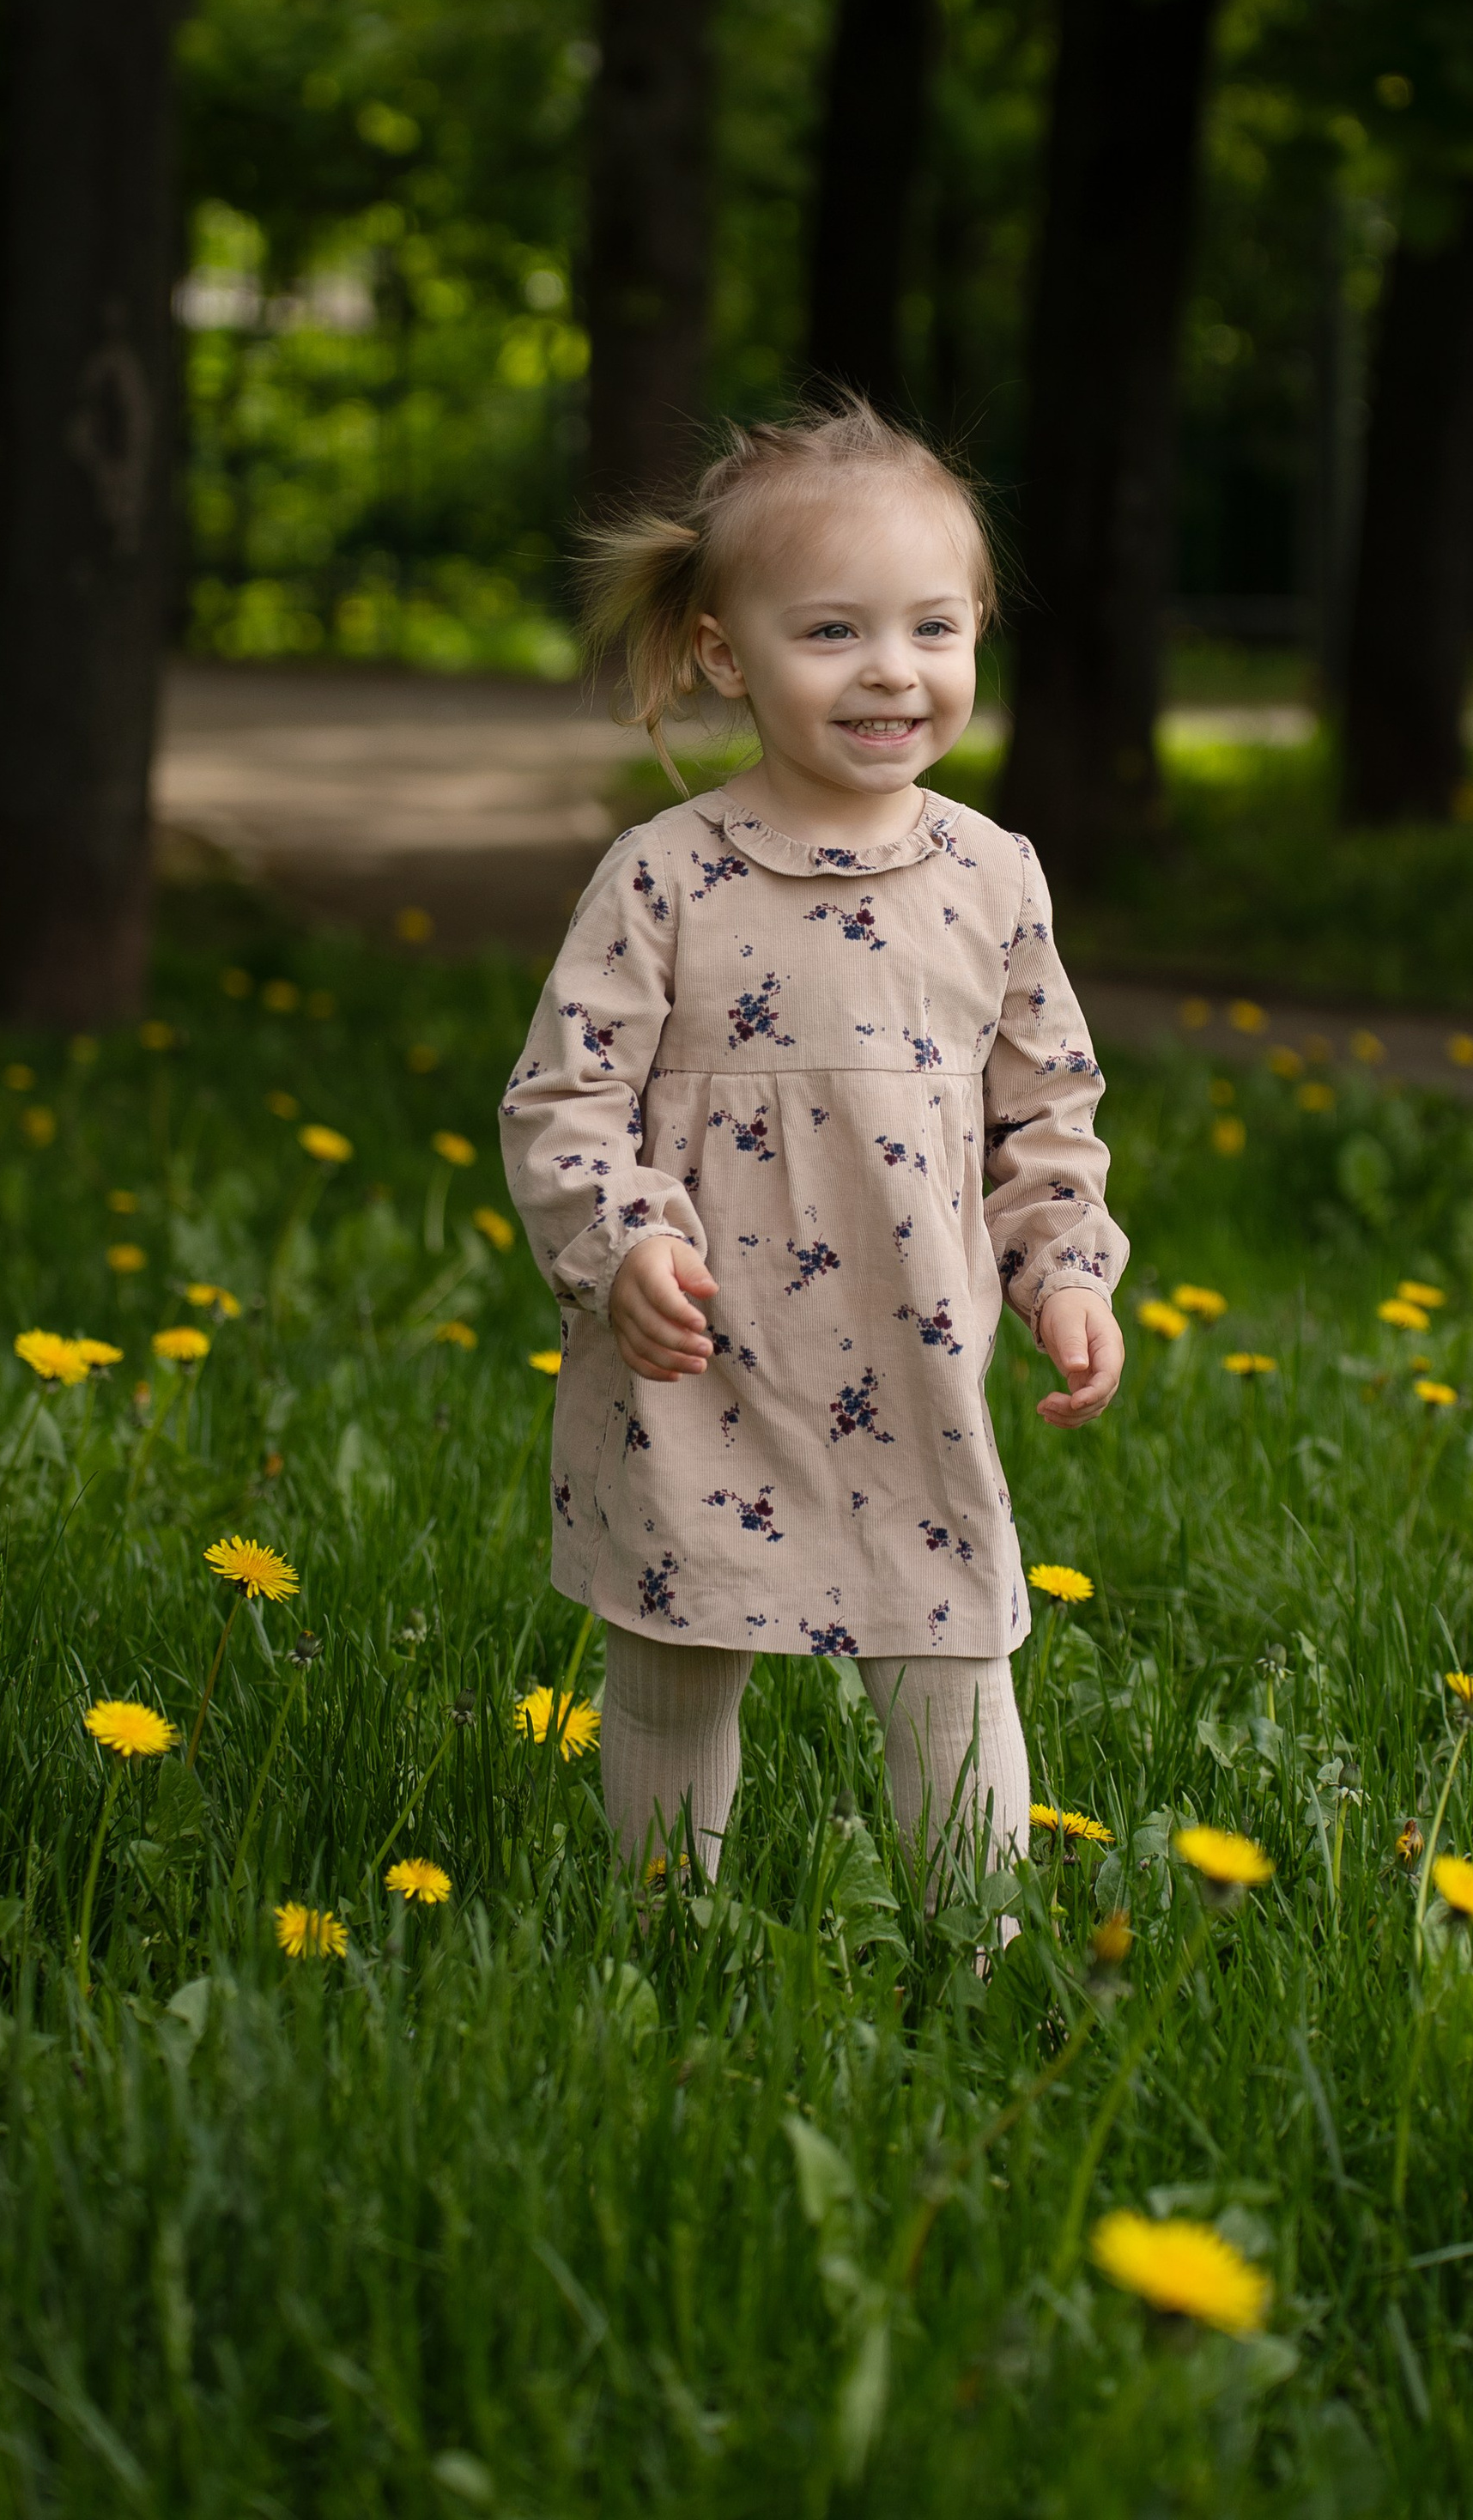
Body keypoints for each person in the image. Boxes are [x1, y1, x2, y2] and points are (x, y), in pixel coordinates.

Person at [499, 398, 1127, 1914]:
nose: (893, 671)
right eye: (834, 631)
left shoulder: (992, 875)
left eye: (933, 627)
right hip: (702, 1356)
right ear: (728, 651)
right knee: (675, 1657)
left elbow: (1046, 1108)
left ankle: (973, 1960)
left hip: (911, 1357)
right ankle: (663, 1928)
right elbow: (564, 1097)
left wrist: (1066, 1269)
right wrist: (626, 1240)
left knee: (954, 1659)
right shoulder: (664, 875)